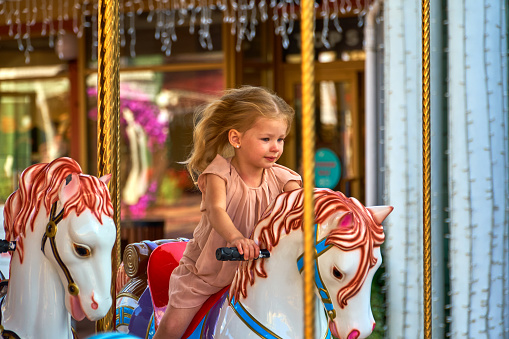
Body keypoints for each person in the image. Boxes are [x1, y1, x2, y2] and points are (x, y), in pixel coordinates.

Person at [153, 86, 302, 339]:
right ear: (236, 139)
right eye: (266, 139)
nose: (275, 147)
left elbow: (299, 210)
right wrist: (236, 239)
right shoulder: (219, 174)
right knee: (172, 328)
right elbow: (217, 210)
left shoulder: (284, 179)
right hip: (208, 272)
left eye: (280, 139)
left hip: (258, 272)